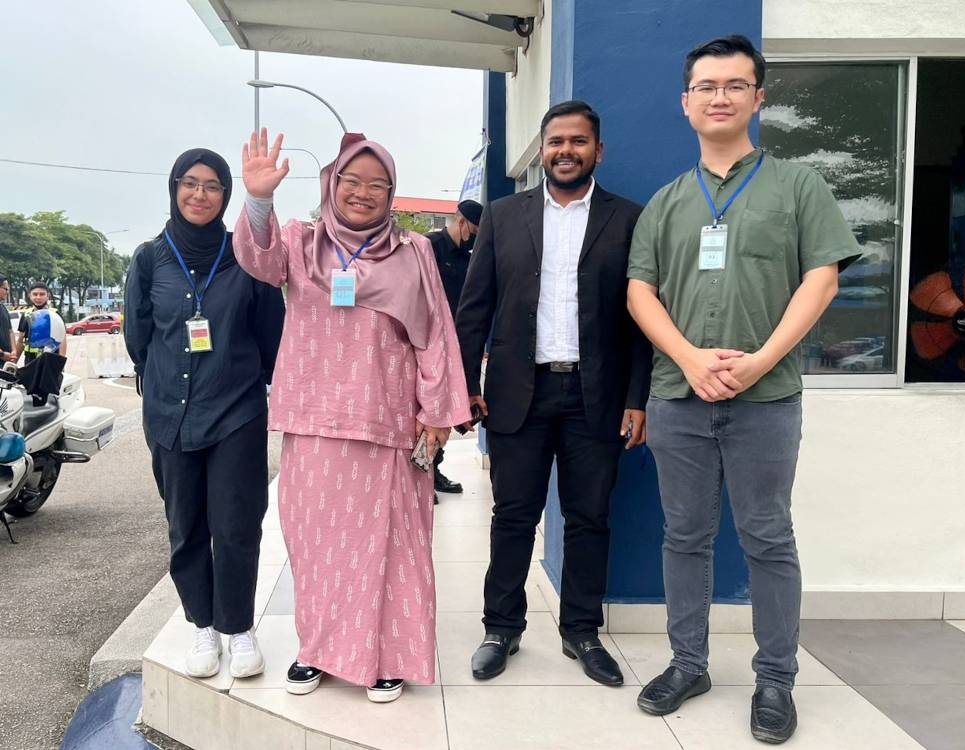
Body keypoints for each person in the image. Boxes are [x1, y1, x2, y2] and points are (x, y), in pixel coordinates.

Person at [626, 35, 860, 744]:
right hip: (679, 396)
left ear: (758, 98)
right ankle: (688, 664)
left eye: (734, 85)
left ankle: (776, 680)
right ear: (685, 103)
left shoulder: (798, 186)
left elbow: (822, 278)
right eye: (706, 86)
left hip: (767, 400)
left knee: (768, 537)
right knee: (684, 536)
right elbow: (640, 293)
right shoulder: (666, 202)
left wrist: (759, 362)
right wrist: (690, 358)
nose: (719, 97)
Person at [233, 128, 470, 704]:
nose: (363, 193)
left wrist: (436, 412)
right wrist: (259, 199)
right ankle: (317, 650)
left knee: (391, 545)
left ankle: (388, 658)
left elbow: (435, 332)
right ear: (331, 184)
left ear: (391, 193)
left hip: (388, 420)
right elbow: (258, 260)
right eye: (352, 181)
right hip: (314, 420)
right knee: (316, 544)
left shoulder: (413, 251)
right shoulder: (301, 242)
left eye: (377, 184)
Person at [455, 100, 652, 687]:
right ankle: (501, 628)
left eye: (578, 141)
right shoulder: (503, 215)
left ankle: (582, 631)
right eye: (556, 141)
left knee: (590, 518)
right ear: (542, 150)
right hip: (519, 392)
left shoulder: (629, 219)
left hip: (598, 396)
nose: (566, 151)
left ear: (598, 150)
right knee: (513, 515)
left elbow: (643, 317)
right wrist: (465, 385)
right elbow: (474, 308)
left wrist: (637, 397)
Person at [124, 148, 285, 681]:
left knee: (237, 525)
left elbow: (271, 333)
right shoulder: (149, 260)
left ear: (226, 195)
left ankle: (238, 628)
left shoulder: (246, 256)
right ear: (174, 189)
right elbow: (138, 338)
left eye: (212, 185)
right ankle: (203, 625)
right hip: (169, 417)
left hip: (236, 411)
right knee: (185, 525)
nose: (200, 194)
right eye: (190, 183)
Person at [425, 198, 483, 496]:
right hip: (427, 343)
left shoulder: (468, 258)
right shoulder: (429, 247)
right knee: (427, 410)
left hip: (456, 344)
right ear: (461, 222)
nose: (475, 238)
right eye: (474, 231)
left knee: (448, 410)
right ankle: (421, 475)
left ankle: (433, 469)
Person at [14, 283, 67, 364]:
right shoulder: (26, 315)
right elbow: (20, 341)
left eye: (42, 294)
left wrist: (60, 362)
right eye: (35, 294)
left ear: (47, 296)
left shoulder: (55, 314)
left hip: (50, 360)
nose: (38, 297)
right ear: (30, 296)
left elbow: (62, 339)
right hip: (30, 360)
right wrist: (14, 362)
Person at [0, 276, 16, 363]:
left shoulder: (3, 308)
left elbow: (10, 331)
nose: (7, 292)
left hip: (5, 361)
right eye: (5, 289)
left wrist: (14, 351)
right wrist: (1, 354)